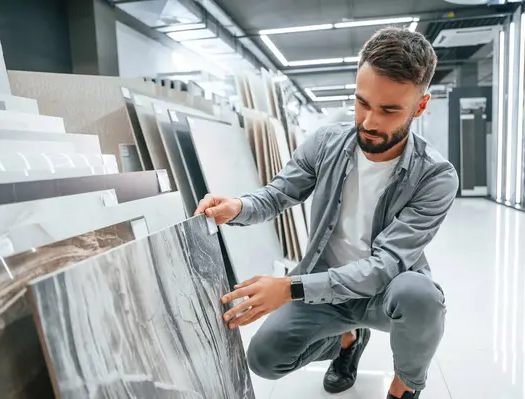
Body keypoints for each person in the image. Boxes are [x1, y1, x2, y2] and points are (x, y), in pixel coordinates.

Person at [195, 27, 458, 399]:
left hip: (385, 294)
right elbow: (277, 194)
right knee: (265, 359)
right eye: (362, 102)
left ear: (420, 105)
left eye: (388, 110)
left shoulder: (435, 176)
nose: (368, 122)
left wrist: (289, 288)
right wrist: (238, 207)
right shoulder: (326, 144)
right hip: (325, 287)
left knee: (421, 297)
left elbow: (385, 266)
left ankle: (404, 387)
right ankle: (347, 341)